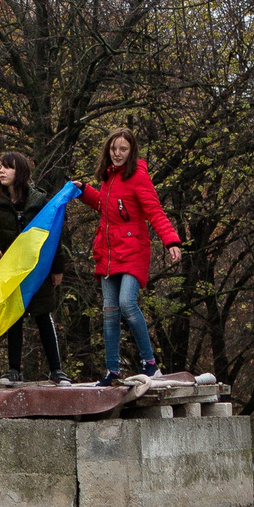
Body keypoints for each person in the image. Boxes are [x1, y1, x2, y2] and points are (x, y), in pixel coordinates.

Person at [77, 129, 181, 386]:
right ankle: (112, 370)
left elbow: (154, 211)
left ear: (131, 151)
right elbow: (106, 206)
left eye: (123, 149)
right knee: (109, 311)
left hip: (133, 250)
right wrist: (84, 191)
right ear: (108, 150)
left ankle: (150, 363)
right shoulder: (108, 178)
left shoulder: (138, 177)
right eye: (114, 149)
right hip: (108, 252)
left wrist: (171, 241)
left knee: (127, 303)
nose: (118, 154)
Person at [0, 151, 71, 386]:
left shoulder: (39, 201)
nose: (1, 171)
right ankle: (13, 370)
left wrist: (57, 267)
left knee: (43, 316)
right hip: (9, 271)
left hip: (37, 269)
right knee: (13, 319)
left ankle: (57, 370)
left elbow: (53, 235)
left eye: (7, 167)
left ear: (20, 172)